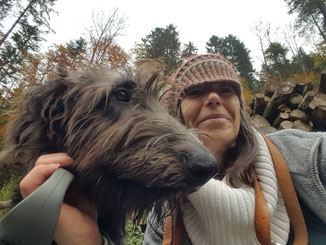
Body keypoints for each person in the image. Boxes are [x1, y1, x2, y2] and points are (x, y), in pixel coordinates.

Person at [19, 54, 326, 245]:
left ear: (241, 108)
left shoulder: (307, 158)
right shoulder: (163, 207)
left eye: (227, 90)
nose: (214, 98)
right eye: (196, 92)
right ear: (177, 114)